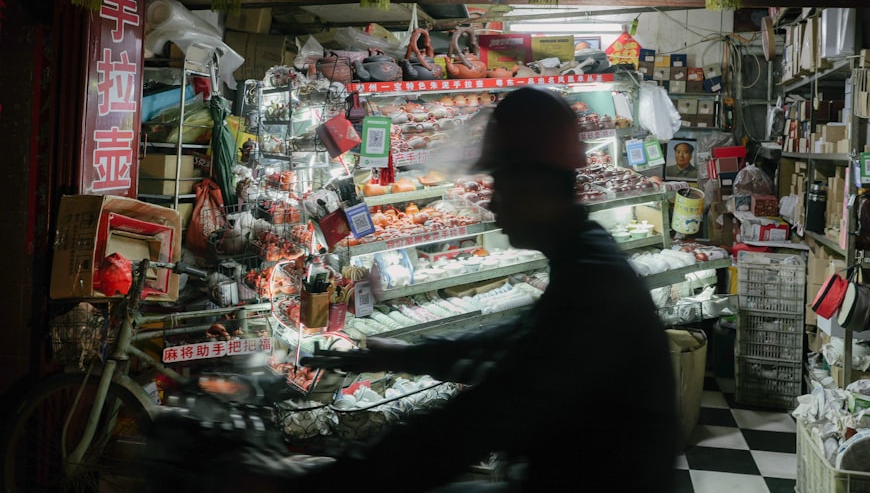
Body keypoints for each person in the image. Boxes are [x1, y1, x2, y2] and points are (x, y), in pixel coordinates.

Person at [224, 87, 680, 492]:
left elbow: (480, 418)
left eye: (501, 185)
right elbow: (512, 341)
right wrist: (401, 356)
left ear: (536, 187)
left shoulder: (592, 284)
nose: (493, 203)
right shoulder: (583, 259)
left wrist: (328, 480)